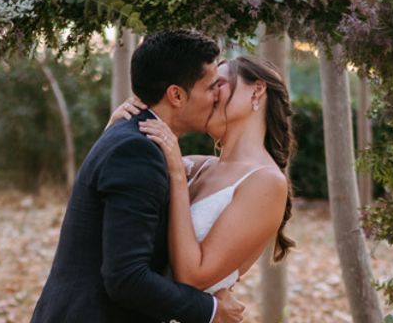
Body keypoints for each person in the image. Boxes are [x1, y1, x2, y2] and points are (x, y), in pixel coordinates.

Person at [30, 30, 245, 323]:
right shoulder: (137, 152)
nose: (217, 97)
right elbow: (126, 277)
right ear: (177, 95)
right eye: (210, 88)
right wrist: (210, 311)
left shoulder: (134, 138)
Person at [108, 55, 295, 295]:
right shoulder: (198, 166)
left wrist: (176, 175)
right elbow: (116, 186)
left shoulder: (266, 182)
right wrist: (117, 130)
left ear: (257, 90)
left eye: (219, 83)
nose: (210, 94)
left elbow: (192, 277)